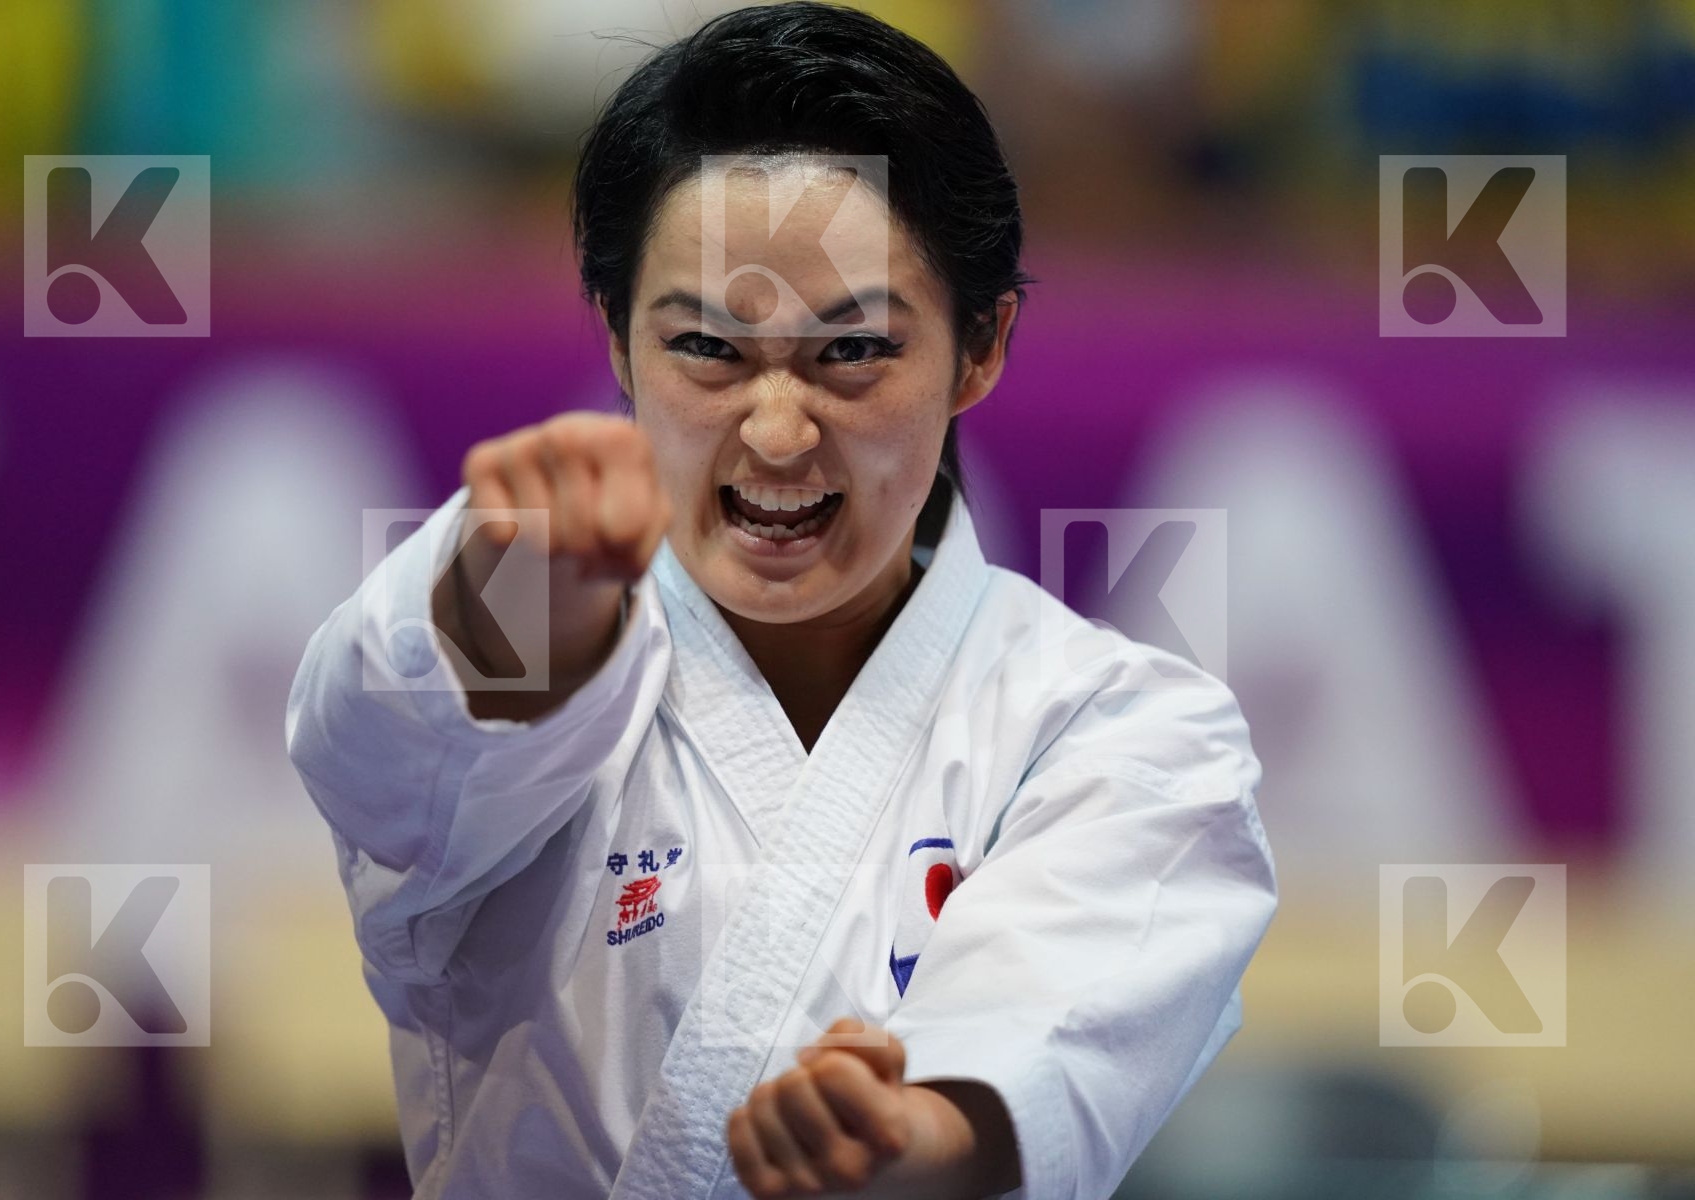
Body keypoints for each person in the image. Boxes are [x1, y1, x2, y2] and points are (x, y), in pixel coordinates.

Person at [285, 4, 1277, 1197]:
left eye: (850, 353)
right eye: (708, 347)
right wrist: (529, 610)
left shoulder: (1126, 733)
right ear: (615, 340)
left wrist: (905, 1141)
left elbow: (1054, 1048)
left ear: (981, 347)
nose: (774, 429)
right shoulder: (517, 576)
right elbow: (378, 750)